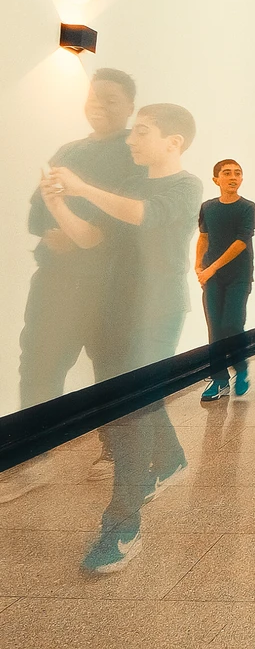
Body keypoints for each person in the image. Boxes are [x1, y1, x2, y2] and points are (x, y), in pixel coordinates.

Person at [41, 103, 203, 572]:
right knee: (127, 399)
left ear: (173, 142)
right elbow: (93, 237)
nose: (131, 140)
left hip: (158, 310)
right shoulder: (130, 184)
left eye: (143, 132)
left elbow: (146, 217)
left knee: (130, 410)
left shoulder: (186, 185)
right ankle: (169, 458)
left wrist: (82, 186)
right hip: (115, 306)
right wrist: (59, 204)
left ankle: (122, 521)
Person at [1, 69, 143, 502]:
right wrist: (55, 230)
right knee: (39, 363)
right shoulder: (68, 150)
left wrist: (80, 231)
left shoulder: (133, 154)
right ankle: (31, 457)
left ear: (130, 106)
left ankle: (115, 453)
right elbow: (35, 211)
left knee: (111, 367)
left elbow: (117, 226)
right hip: (56, 281)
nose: (99, 105)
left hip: (110, 286)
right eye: (94, 97)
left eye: (111, 99)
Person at [195, 159, 255, 401]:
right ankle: (219, 380)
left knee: (232, 323)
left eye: (238, 173)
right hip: (212, 277)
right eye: (227, 173)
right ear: (216, 180)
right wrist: (198, 264)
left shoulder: (247, 207)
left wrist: (211, 268)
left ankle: (241, 369)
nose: (233, 177)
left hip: (238, 276)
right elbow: (204, 237)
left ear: (242, 179)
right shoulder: (208, 207)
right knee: (215, 327)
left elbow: (240, 243)